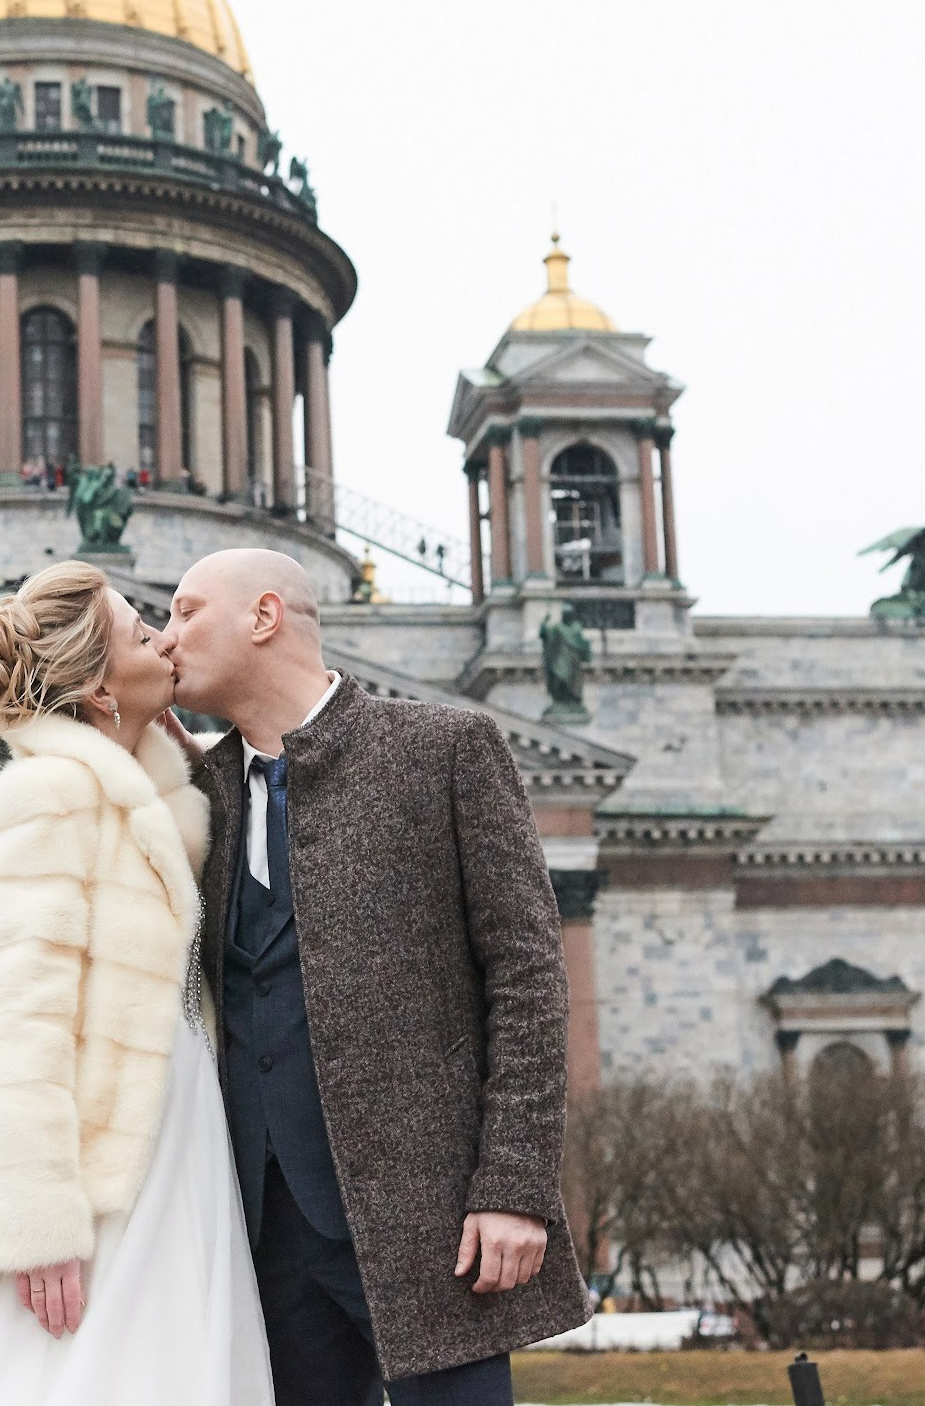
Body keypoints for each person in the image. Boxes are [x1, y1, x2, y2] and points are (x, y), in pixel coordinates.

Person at [0, 561, 273, 1405]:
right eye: (144, 634)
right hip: (101, 1153)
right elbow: (12, 1018)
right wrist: (34, 1222)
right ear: (102, 688)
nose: (166, 636)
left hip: (171, 1126)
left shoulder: (136, 793)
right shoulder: (49, 794)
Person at [158, 548, 591, 1406]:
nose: (165, 639)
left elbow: (529, 981)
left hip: (433, 1228)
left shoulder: (444, 751)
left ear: (264, 616)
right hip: (259, 1232)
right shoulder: (199, 793)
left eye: (184, 612)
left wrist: (514, 1187)